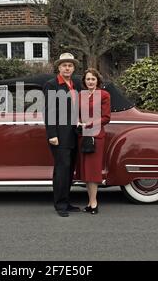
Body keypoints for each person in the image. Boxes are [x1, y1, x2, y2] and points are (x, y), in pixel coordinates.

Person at [43, 53, 82, 217]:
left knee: (70, 169)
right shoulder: (52, 85)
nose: (67, 68)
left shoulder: (75, 84)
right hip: (59, 134)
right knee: (62, 169)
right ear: (59, 67)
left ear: (73, 68)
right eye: (64, 65)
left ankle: (66, 202)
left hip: (73, 133)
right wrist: (52, 134)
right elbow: (49, 111)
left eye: (70, 65)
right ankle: (60, 205)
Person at [76, 68, 111, 215]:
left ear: (98, 81)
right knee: (85, 171)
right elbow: (76, 113)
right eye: (88, 79)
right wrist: (78, 121)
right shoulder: (81, 95)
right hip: (82, 136)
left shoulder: (103, 95)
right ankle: (90, 202)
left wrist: (88, 124)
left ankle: (94, 202)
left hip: (96, 136)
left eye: (93, 79)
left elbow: (106, 117)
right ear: (84, 81)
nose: (90, 81)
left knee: (93, 171)